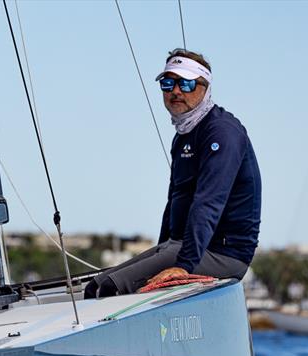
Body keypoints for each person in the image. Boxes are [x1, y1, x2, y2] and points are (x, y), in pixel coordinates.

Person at [84, 49, 261, 298]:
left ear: (205, 87)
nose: (176, 91)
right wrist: (161, 251)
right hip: (181, 247)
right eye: (168, 83)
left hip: (223, 255)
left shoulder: (222, 132)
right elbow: (174, 202)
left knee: (111, 288)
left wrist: (183, 266)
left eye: (186, 83)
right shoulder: (184, 135)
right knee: (96, 286)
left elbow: (209, 202)